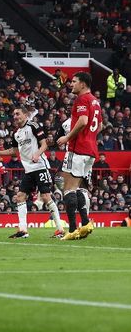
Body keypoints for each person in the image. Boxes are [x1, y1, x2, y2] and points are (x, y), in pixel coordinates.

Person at [0, 106, 65, 238]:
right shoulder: (16, 134)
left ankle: (60, 230)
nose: (15, 116)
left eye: (18, 114)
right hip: (28, 170)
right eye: (14, 114)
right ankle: (23, 230)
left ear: (25, 115)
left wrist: (37, 154)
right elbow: (13, 151)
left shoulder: (33, 126)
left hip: (40, 167)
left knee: (45, 197)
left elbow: (44, 144)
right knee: (20, 197)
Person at [56, 72, 101, 240]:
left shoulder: (82, 99)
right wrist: (89, 138)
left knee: (68, 188)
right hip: (90, 151)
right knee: (80, 187)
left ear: (83, 84)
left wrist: (68, 137)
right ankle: (85, 223)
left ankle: (73, 230)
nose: (71, 84)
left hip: (79, 149)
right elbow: (100, 125)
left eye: (74, 82)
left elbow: (82, 121)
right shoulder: (95, 101)